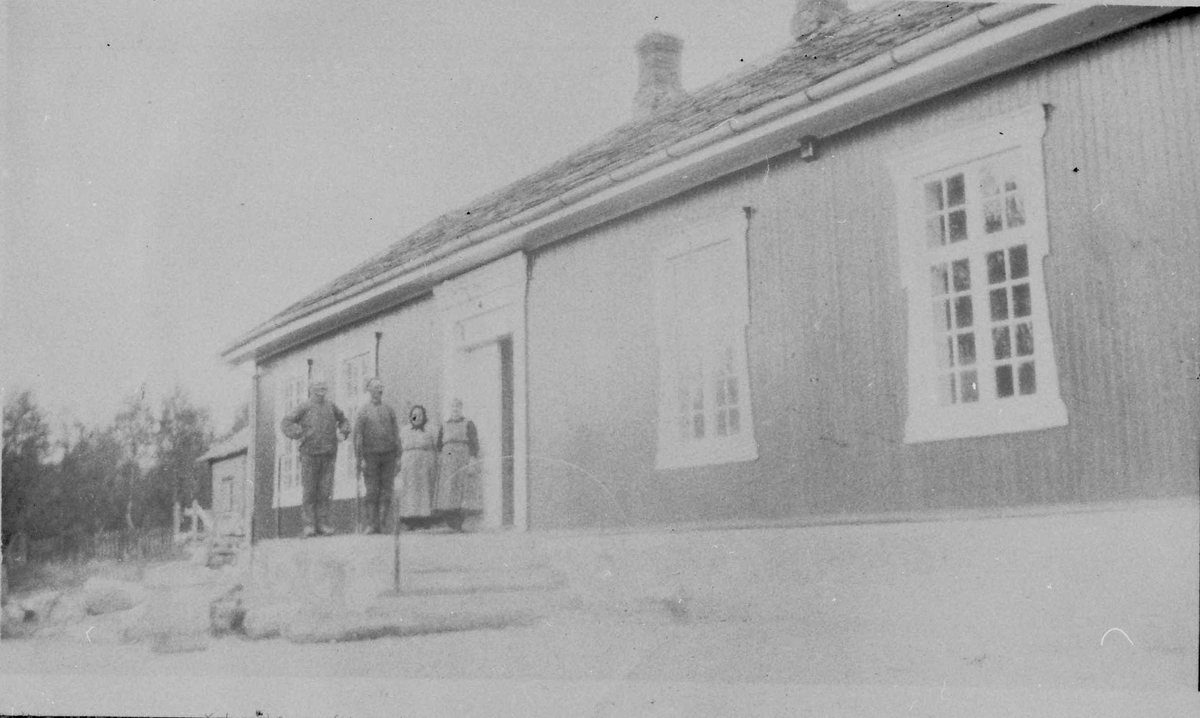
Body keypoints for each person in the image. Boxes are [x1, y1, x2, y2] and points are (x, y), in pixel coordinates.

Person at [280, 380, 349, 538]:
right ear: (311, 388)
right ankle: (309, 526)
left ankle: (323, 525)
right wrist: (299, 433)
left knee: (325, 491)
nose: (321, 389)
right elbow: (286, 422)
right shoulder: (304, 406)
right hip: (309, 454)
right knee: (310, 491)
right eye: (318, 386)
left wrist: (343, 432)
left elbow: (344, 420)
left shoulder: (331, 406)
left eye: (324, 386)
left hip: (328, 453)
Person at [353, 377, 400, 534]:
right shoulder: (363, 411)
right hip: (370, 456)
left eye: (380, 388)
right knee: (372, 490)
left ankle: (383, 523)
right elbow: (358, 436)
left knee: (387, 489)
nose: (379, 391)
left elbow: (396, 433)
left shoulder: (389, 409)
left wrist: (398, 456)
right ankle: (371, 524)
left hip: (388, 455)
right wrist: (360, 459)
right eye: (375, 388)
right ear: (369, 390)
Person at [434, 398, 481, 532]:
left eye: (457, 407)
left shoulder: (468, 423)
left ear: (461, 408)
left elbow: (474, 442)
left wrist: (472, 458)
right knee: (448, 489)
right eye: (453, 407)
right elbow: (439, 445)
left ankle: (460, 521)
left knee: (462, 489)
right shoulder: (444, 424)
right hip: (448, 461)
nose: (455, 409)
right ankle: (451, 521)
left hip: (462, 458)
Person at [395, 404, 436, 531]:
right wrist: (398, 463)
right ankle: (410, 520)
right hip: (409, 463)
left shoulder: (430, 430)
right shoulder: (404, 430)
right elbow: (398, 448)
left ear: (424, 417)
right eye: (414, 415)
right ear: (410, 417)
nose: (417, 417)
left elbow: (435, 447)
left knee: (424, 490)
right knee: (410, 490)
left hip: (425, 462)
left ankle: (425, 519)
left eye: (420, 415)